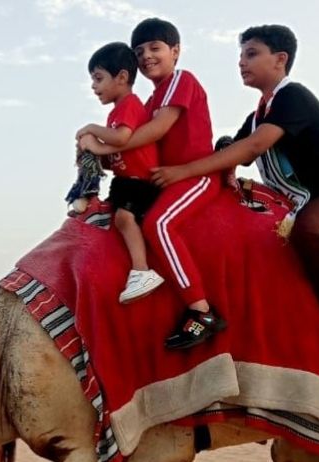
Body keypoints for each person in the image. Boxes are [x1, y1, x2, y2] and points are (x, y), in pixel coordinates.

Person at [149, 24, 319, 405]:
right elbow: (234, 145)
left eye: (251, 54)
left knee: (308, 234)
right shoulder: (261, 111)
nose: (242, 62)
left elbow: (253, 147)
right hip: (298, 199)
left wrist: (183, 172)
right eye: (240, 55)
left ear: (280, 59)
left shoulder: (294, 98)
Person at [79, 18, 225, 349]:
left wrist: (102, 143)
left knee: (159, 224)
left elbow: (156, 131)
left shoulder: (179, 81)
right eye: (139, 51)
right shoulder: (148, 101)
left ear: (176, 51)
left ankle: (200, 310)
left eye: (155, 48)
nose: (146, 56)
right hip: (165, 180)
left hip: (196, 175)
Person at [75, 41, 165, 303]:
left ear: (122, 78)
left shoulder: (129, 106)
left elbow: (122, 138)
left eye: (99, 78)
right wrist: (90, 154)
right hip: (123, 181)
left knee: (125, 219)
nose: (94, 86)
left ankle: (141, 270)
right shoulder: (115, 114)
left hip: (140, 182)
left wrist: (92, 133)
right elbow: (115, 157)